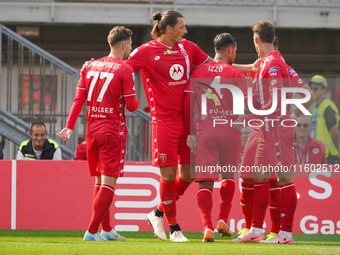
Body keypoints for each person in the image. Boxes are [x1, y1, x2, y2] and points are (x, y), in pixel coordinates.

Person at [125, 10, 213, 242]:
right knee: (168, 173)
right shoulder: (145, 51)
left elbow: (215, 67)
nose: (186, 31)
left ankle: (156, 212)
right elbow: (122, 69)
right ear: (168, 29)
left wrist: (246, 71)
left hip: (188, 122)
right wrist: (97, 66)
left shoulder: (188, 48)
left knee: (189, 173)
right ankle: (174, 229)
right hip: (163, 122)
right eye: (182, 27)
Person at [233, 21, 315, 244]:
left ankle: (286, 234)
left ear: (256, 40)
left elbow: (276, 104)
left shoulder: (274, 65)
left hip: (276, 128)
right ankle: (256, 230)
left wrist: (288, 118)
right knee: (259, 176)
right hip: (267, 128)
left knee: (283, 179)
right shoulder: (271, 62)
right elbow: (308, 95)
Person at [57, 26, 140, 241]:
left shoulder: (90, 66)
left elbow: (78, 100)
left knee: (99, 182)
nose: (131, 47)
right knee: (108, 185)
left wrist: (69, 126)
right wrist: (137, 99)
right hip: (112, 132)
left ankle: (107, 229)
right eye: (130, 44)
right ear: (123, 45)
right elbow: (132, 106)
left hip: (91, 132)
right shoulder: (124, 69)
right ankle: (92, 231)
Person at [184, 33, 248, 242]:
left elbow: (189, 105)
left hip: (206, 133)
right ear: (230, 50)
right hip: (230, 132)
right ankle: (222, 219)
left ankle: (207, 228)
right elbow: (244, 106)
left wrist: (191, 133)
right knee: (228, 177)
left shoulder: (198, 72)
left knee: (205, 183)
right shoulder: (237, 74)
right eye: (235, 51)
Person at [308, 75, 340, 164]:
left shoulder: (327, 107)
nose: (313, 91)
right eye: (311, 88)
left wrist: (336, 150)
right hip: (317, 153)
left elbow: (335, 132)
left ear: (324, 90)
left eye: (316, 88)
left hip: (327, 154)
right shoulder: (316, 107)